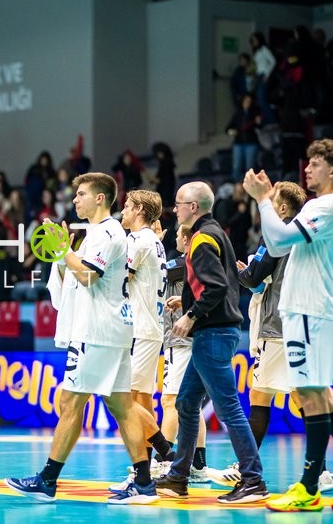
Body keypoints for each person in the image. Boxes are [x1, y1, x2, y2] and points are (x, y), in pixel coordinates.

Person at [5, 173, 161, 505]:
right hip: (111, 330)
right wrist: (65, 255)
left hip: (98, 332)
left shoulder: (107, 232)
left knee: (71, 404)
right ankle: (144, 482)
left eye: (80, 195)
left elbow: (89, 276)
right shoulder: (96, 234)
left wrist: (63, 250)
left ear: (100, 198)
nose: (74, 200)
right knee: (121, 406)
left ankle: (47, 479)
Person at [154, 182, 269, 504]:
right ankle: (179, 475)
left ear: (193, 207)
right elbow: (222, 281)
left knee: (228, 407)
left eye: (178, 204)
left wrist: (190, 314)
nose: (174, 209)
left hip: (213, 333)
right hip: (216, 330)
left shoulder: (203, 238)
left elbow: (216, 287)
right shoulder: (216, 232)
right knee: (186, 404)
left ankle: (253, 479)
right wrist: (188, 300)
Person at [243, 139, 333, 511]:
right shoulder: (316, 207)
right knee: (312, 394)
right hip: (302, 311)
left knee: (311, 394)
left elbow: (277, 239)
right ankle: (312, 482)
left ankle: (309, 486)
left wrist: (263, 199)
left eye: (316, 164)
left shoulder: (325, 206)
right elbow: (279, 248)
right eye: (307, 163)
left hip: (311, 310)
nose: (308, 169)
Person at [119, 191, 172, 470]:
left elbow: (117, 279)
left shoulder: (137, 240)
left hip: (140, 327)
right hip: (151, 326)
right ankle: (151, 463)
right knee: (141, 398)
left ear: (139, 209)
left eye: (127, 207)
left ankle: (167, 453)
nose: (122, 213)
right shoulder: (154, 241)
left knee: (124, 398)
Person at [159, 226, 209, 483]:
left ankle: (162, 461)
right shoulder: (193, 264)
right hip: (190, 338)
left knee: (171, 401)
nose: (175, 238)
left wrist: (152, 244)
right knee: (190, 403)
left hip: (181, 340)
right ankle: (198, 464)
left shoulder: (183, 262)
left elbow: (158, 270)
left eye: (178, 235)